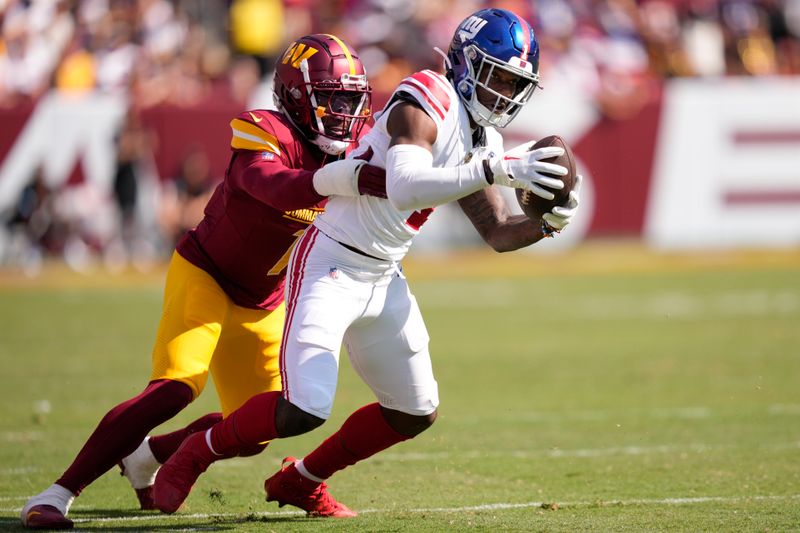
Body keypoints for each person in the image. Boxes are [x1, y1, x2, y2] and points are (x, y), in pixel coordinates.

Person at [153, 8, 582, 518]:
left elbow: (497, 233)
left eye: (516, 83)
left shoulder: (482, 138)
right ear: (467, 64)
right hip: (330, 258)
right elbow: (403, 186)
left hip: (385, 273)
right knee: (302, 408)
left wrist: (547, 225)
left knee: (414, 411)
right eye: (498, 76)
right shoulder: (427, 96)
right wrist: (497, 168)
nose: (505, 92)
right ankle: (196, 452)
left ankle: (303, 479)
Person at [20, 33, 386, 530]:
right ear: (297, 98)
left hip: (265, 299)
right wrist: (338, 180)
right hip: (207, 274)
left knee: (257, 426)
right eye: (331, 98)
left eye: (351, 100)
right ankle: (56, 493)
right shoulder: (266, 129)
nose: (343, 112)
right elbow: (267, 184)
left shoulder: (350, 153)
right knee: (173, 389)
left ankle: (148, 457)